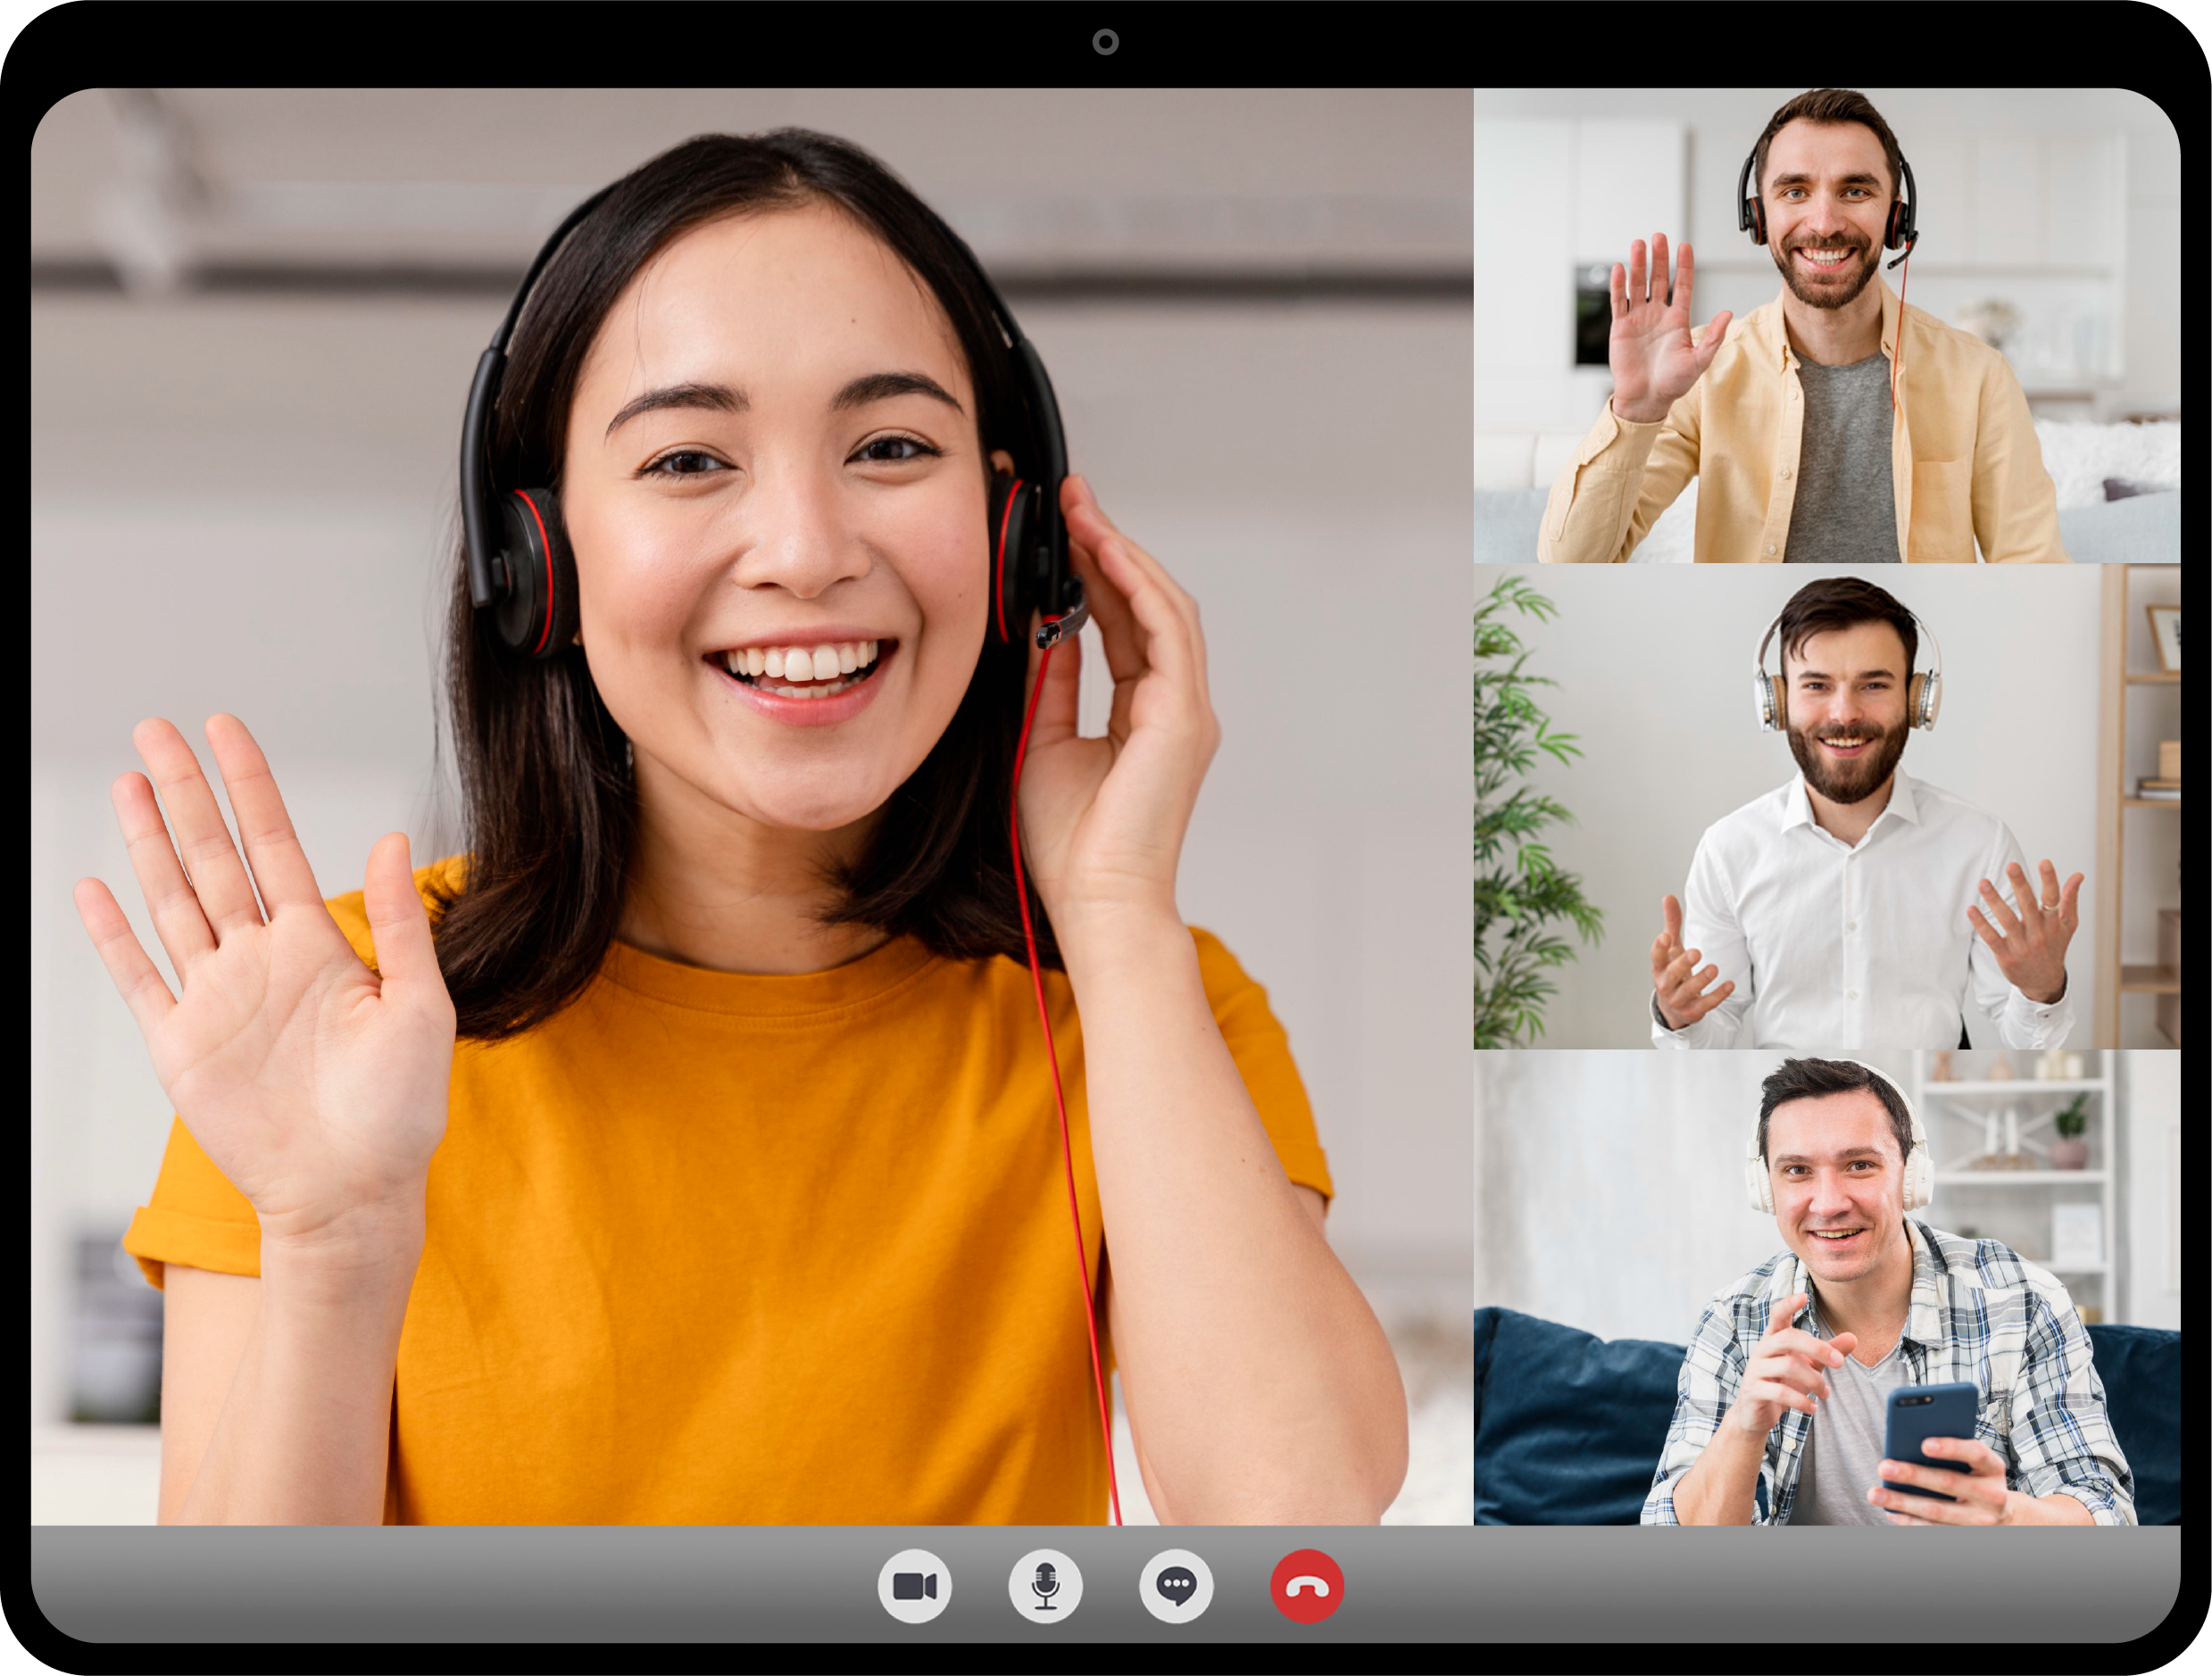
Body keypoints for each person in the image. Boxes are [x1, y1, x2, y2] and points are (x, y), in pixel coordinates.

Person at [79, 131, 1408, 1526]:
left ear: (1019, 533)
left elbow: (1294, 1529)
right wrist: (333, 1242)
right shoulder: (337, 1025)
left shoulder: (1134, 1003)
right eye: (690, 457)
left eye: (890, 445)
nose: (806, 547)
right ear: (537, 555)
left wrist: (1119, 909)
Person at [1539, 88, 2066, 565]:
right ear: (1758, 216)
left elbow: (2034, 570)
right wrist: (1635, 411)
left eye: (1855, 191)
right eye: (1795, 191)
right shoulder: (1702, 371)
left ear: (1896, 218)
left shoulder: (1979, 376)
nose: (1823, 222)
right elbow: (1570, 566)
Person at [1643, 1057, 2132, 1526]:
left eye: (1859, 1165)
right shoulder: (1734, 1320)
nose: (1829, 1204)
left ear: (1911, 1177)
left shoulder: (2021, 1299)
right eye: (1797, 1170)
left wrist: (2007, 1518)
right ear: (1765, 1188)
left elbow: (2104, 1512)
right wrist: (1744, 1428)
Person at [1650, 576, 2080, 1050]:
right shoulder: (1728, 850)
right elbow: (1713, 1037)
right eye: (1817, 685)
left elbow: (2030, 1045)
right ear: (1776, 700)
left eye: (1873, 684)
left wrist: (2043, 990)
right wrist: (1679, 1021)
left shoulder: (1981, 844)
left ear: (1918, 701)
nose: (1845, 713)